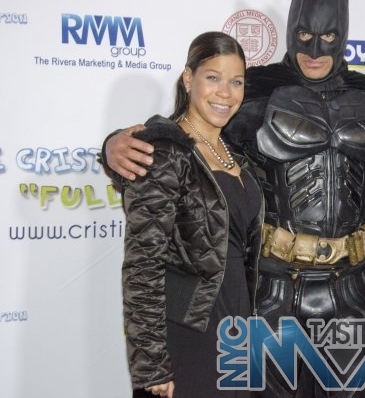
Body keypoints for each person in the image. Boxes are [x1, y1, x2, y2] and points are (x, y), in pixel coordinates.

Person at [102, 0, 365, 397]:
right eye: (304, 34)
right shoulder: (254, 93)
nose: (315, 48)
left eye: (328, 36)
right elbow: (176, 146)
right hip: (269, 292)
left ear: (344, 36)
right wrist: (113, 146)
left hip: (352, 290)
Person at [111, 31, 263, 398]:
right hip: (187, 332)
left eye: (236, 81)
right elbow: (143, 263)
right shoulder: (165, 149)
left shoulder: (235, 152)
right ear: (188, 78)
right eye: (213, 77)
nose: (225, 92)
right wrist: (151, 363)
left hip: (237, 329)